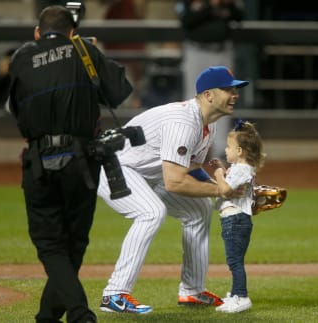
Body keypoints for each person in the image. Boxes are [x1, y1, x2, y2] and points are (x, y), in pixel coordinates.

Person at [8, 5, 133, 323]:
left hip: (38, 161)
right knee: (73, 242)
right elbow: (119, 91)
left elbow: (15, 108)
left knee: (51, 244)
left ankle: (58, 316)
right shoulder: (84, 51)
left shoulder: (22, 57)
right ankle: (67, 315)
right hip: (81, 162)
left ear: (37, 33)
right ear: (71, 32)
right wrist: (90, 54)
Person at [97, 65, 249, 314]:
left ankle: (192, 291)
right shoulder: (183, 122)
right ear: (209, 95)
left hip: (149, 173)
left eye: (236, 90)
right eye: (228, 89)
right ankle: (114, 294)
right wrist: (221, 191)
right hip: (116, 167)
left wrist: (223, 189)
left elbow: (190, 168)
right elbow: (175, 182)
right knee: (151, 213)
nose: (235, 95)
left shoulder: (208, 124)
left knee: (199, 210)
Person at [208, 119, 265, 313]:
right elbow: (230, 182)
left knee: (234, 262)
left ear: (239, 151)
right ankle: (234, 294)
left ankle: (242, 296)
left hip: (236, 220)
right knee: (235, 260)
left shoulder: (243, 169)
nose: (226, 150)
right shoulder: (239, 169)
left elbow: (224, 190)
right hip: (234, 219)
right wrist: (223, 169)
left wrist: (217, 174)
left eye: (229, 147)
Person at [175, 0, 245, 159]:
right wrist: (210, 6)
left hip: (222, 51)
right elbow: (186, 20)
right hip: (196, 51)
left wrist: (228, 5)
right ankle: (189, 150)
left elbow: (240, 17)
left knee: (224, 99)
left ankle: (221, 150)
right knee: (193, 100)